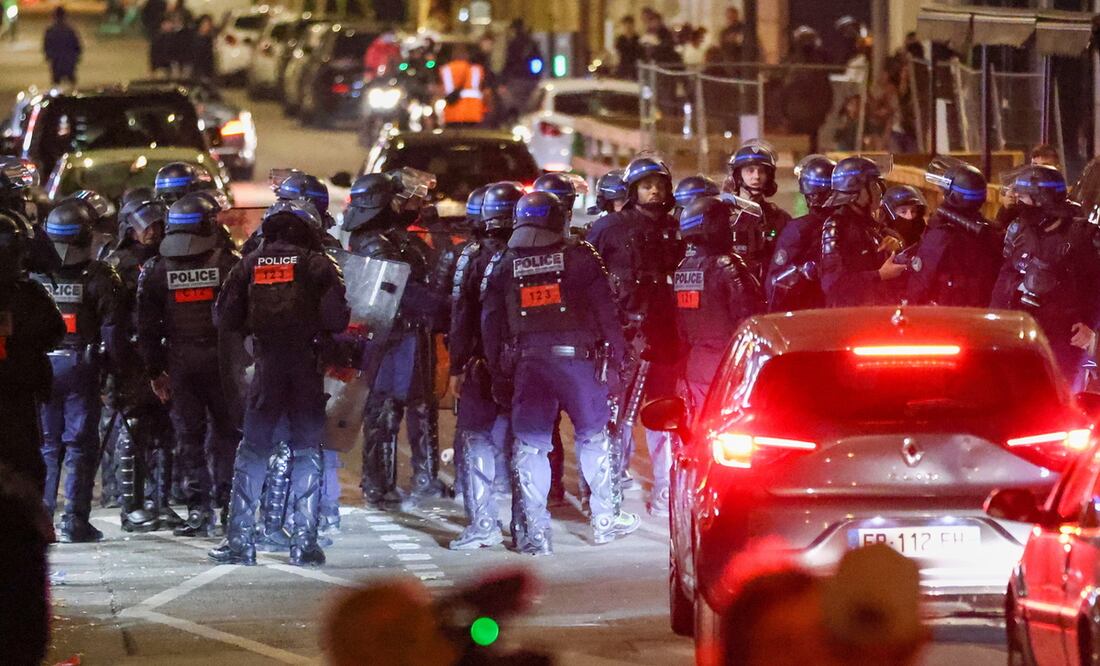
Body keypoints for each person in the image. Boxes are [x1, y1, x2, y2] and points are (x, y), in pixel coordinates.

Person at [481, 191, 640, 554]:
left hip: (528, 364)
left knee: (531, 447)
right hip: (578, 365)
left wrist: (497, 369)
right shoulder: (581, 258)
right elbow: (606, 312)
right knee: (593, 437)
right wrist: (618, 357)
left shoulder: (505, 262)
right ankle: (605, 519)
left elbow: (490, 321)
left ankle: (535, 534)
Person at [210, 200, 350, 566]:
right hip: (305, 367)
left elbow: (224, 317)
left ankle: (240, 543)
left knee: (253, 453)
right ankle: (303, 543)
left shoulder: (249, 264)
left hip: (267, 367)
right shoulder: (318, 264)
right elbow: (337, 318)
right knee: (306, 452)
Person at [137, 193, 242, 537]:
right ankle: (228, 507)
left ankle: (198, 512)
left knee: (189, 437)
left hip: (180, 363)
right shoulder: (228, 263)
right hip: (222, 361)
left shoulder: (155, 270)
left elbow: (147, 329)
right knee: (228, 435)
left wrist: (155, 371)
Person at [344, 172, 447, 509]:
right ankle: (379, 485)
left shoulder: (393, 237)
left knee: (421, 404)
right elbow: (402, 290)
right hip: (390, 335)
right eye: (401, 199)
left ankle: (424, 478)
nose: (409, 205)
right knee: (385, 409)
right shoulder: (374, 243)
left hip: (412, 334)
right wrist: (445, 309)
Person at [586, 156, 681, 516]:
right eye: (646, 185)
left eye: (659, 184)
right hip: (622, 335)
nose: (654, 190)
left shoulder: (678, 227)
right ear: (632, 189)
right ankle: (607, 489)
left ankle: (665, 489)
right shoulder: (610, 227)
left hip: (666, 333)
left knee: (663, 413)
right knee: (617, 414)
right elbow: (587, 279)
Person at [34, 201, 125, 543]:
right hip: (81, 367)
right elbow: (113, 331)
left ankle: (43, 520)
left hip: (44, 367)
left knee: (47, 445)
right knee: (80, 446)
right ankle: (74, 520)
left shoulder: (35, 276)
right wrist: (118, 373)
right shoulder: (100, 277)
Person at [447, 182, 522, 550]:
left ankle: (483, 524)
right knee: (527, 443)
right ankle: (528, 529)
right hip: (528, 364)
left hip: (484, 364)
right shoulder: (543, 253)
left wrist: (457, 365)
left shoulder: (473, 259)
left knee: (476, 437)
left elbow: (462, 315)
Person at [105, 198, 181, 532]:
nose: (153, 231)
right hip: (132, 357)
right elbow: (111, 317)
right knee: (134, 428)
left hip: (165, 353)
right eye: (146, 225)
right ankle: (131, 506)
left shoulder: (168, 259)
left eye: (157, 224)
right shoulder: (117, 263)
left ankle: (160, 502)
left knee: (166, 430)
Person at [991, 165, 1100, 387]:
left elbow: (1096, 286)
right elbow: (1005, 279)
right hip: (1022, 336)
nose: (1019, 203)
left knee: (1061, 408)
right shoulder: (1019, 231)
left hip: (1065, 340)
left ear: (1043, 199)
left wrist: (1091, 327)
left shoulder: (1082, 237)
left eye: (1024, 198)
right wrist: (994, 323)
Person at [674, 196, 764, 414]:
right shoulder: (727, 265)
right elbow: (750, 319)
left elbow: (682, 326)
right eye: (723, 222)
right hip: (728, 364)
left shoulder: (683, 268)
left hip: (695, 365)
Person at [0, 212, 66, 500]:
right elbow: (55, 331)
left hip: (20, 392)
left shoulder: (29, 293)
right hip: (19, 395)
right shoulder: (29, 294)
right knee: (27, 464)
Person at [906, 160, 999, 308]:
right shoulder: (991, 231)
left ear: (952, 195)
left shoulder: (944, 233)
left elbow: (921, 283)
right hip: (982, 314)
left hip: (950, 316)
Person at [820, 156, 907, 307]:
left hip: (876, 315)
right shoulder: (836, 226)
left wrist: (897, 248)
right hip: (849, 320)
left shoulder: (869, 224)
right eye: (873, 186)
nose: (879, 191)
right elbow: (833, 284)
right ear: (854, 192)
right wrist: (879, 275)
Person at [766, 154, 835, 312]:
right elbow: (777, 283)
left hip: (815, 315)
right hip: (813, 312)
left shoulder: (799, 228)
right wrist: (803, 272)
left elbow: (774, 286)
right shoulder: (799, 230)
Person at [724, 141, 792, 280]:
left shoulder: (779, 217)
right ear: (738, 175)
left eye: (761, 171)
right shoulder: (720, 215)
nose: (756, 176)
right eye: (750, 170)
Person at [781, 27, 833, 154]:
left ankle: (806, 164)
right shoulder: (795, 62)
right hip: (801, 112)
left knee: (807, 144)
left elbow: (825, 89)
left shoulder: (817, 63)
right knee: (802, 144)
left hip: (808, 112)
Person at [499, 20, 542, 121]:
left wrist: (503, 80)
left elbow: (508, 63)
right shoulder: (532, 43)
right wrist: (537, 76)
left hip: (516, 79)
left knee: (516, 105)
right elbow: (538, 61)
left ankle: (517, 123)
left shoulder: (513, 43)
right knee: (529, 106)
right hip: (531, 80)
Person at [440, 43, 487, 127]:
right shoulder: (477, 69)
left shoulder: (446, 69)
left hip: (452, 114)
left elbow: (443, 90)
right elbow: (483, 88)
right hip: (473, 113)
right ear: (467, 54)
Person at [43, 7, 82, 86]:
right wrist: (76, 58)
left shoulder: (51, 30)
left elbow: (46, 46)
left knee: (56, 83)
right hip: (69, 61)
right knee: (71, 82)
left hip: (56, 61)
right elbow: (77, 46)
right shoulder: (70, 30)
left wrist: (49, 57)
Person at [614, 16, 642, 80]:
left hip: (634, 68)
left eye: (630, 26)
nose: (628, 28)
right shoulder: (620, 39)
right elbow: (618, 53)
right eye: (626, 26)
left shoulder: (638, 39)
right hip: (623, 67)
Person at [190, 14, 217, 81]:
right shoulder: (194, 36)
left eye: (208, 24)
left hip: (206, 69)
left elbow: (210, 56)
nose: (206, 26)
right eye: (204, 23)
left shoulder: (209, 38)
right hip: (195, 67)